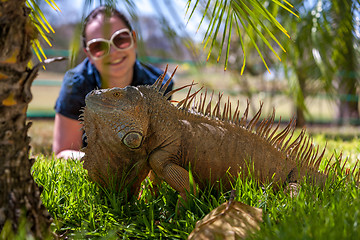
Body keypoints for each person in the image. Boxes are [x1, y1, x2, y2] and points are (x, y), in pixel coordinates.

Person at [53, 6, 174, 159]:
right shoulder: (76, 84)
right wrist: (105, 165)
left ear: (134, 40)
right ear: (88, 55)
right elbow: (62, 152)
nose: (113, 52)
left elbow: (162, 148)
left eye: (120, 39)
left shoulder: (158, 84)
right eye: (98, 47)